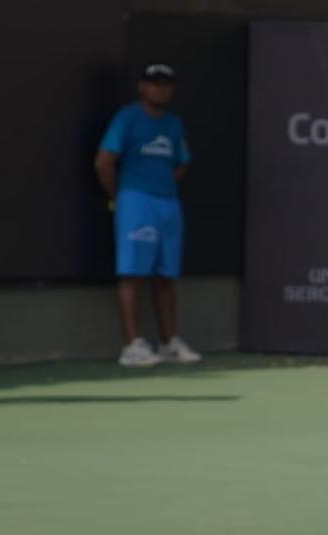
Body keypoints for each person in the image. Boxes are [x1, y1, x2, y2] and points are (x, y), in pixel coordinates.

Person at [93, 62, 202, 367]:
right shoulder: (127, 118)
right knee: (132, 273)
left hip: (167, 203)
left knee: (165, 275)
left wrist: (162, 185)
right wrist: (121, 195)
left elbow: (182, 162)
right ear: (142, 87)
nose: (161, 88)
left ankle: (168, 343)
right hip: (134, 201)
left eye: (166, 83)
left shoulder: (173, 124)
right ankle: (131, 345)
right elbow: (104, 161)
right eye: (154, 83)